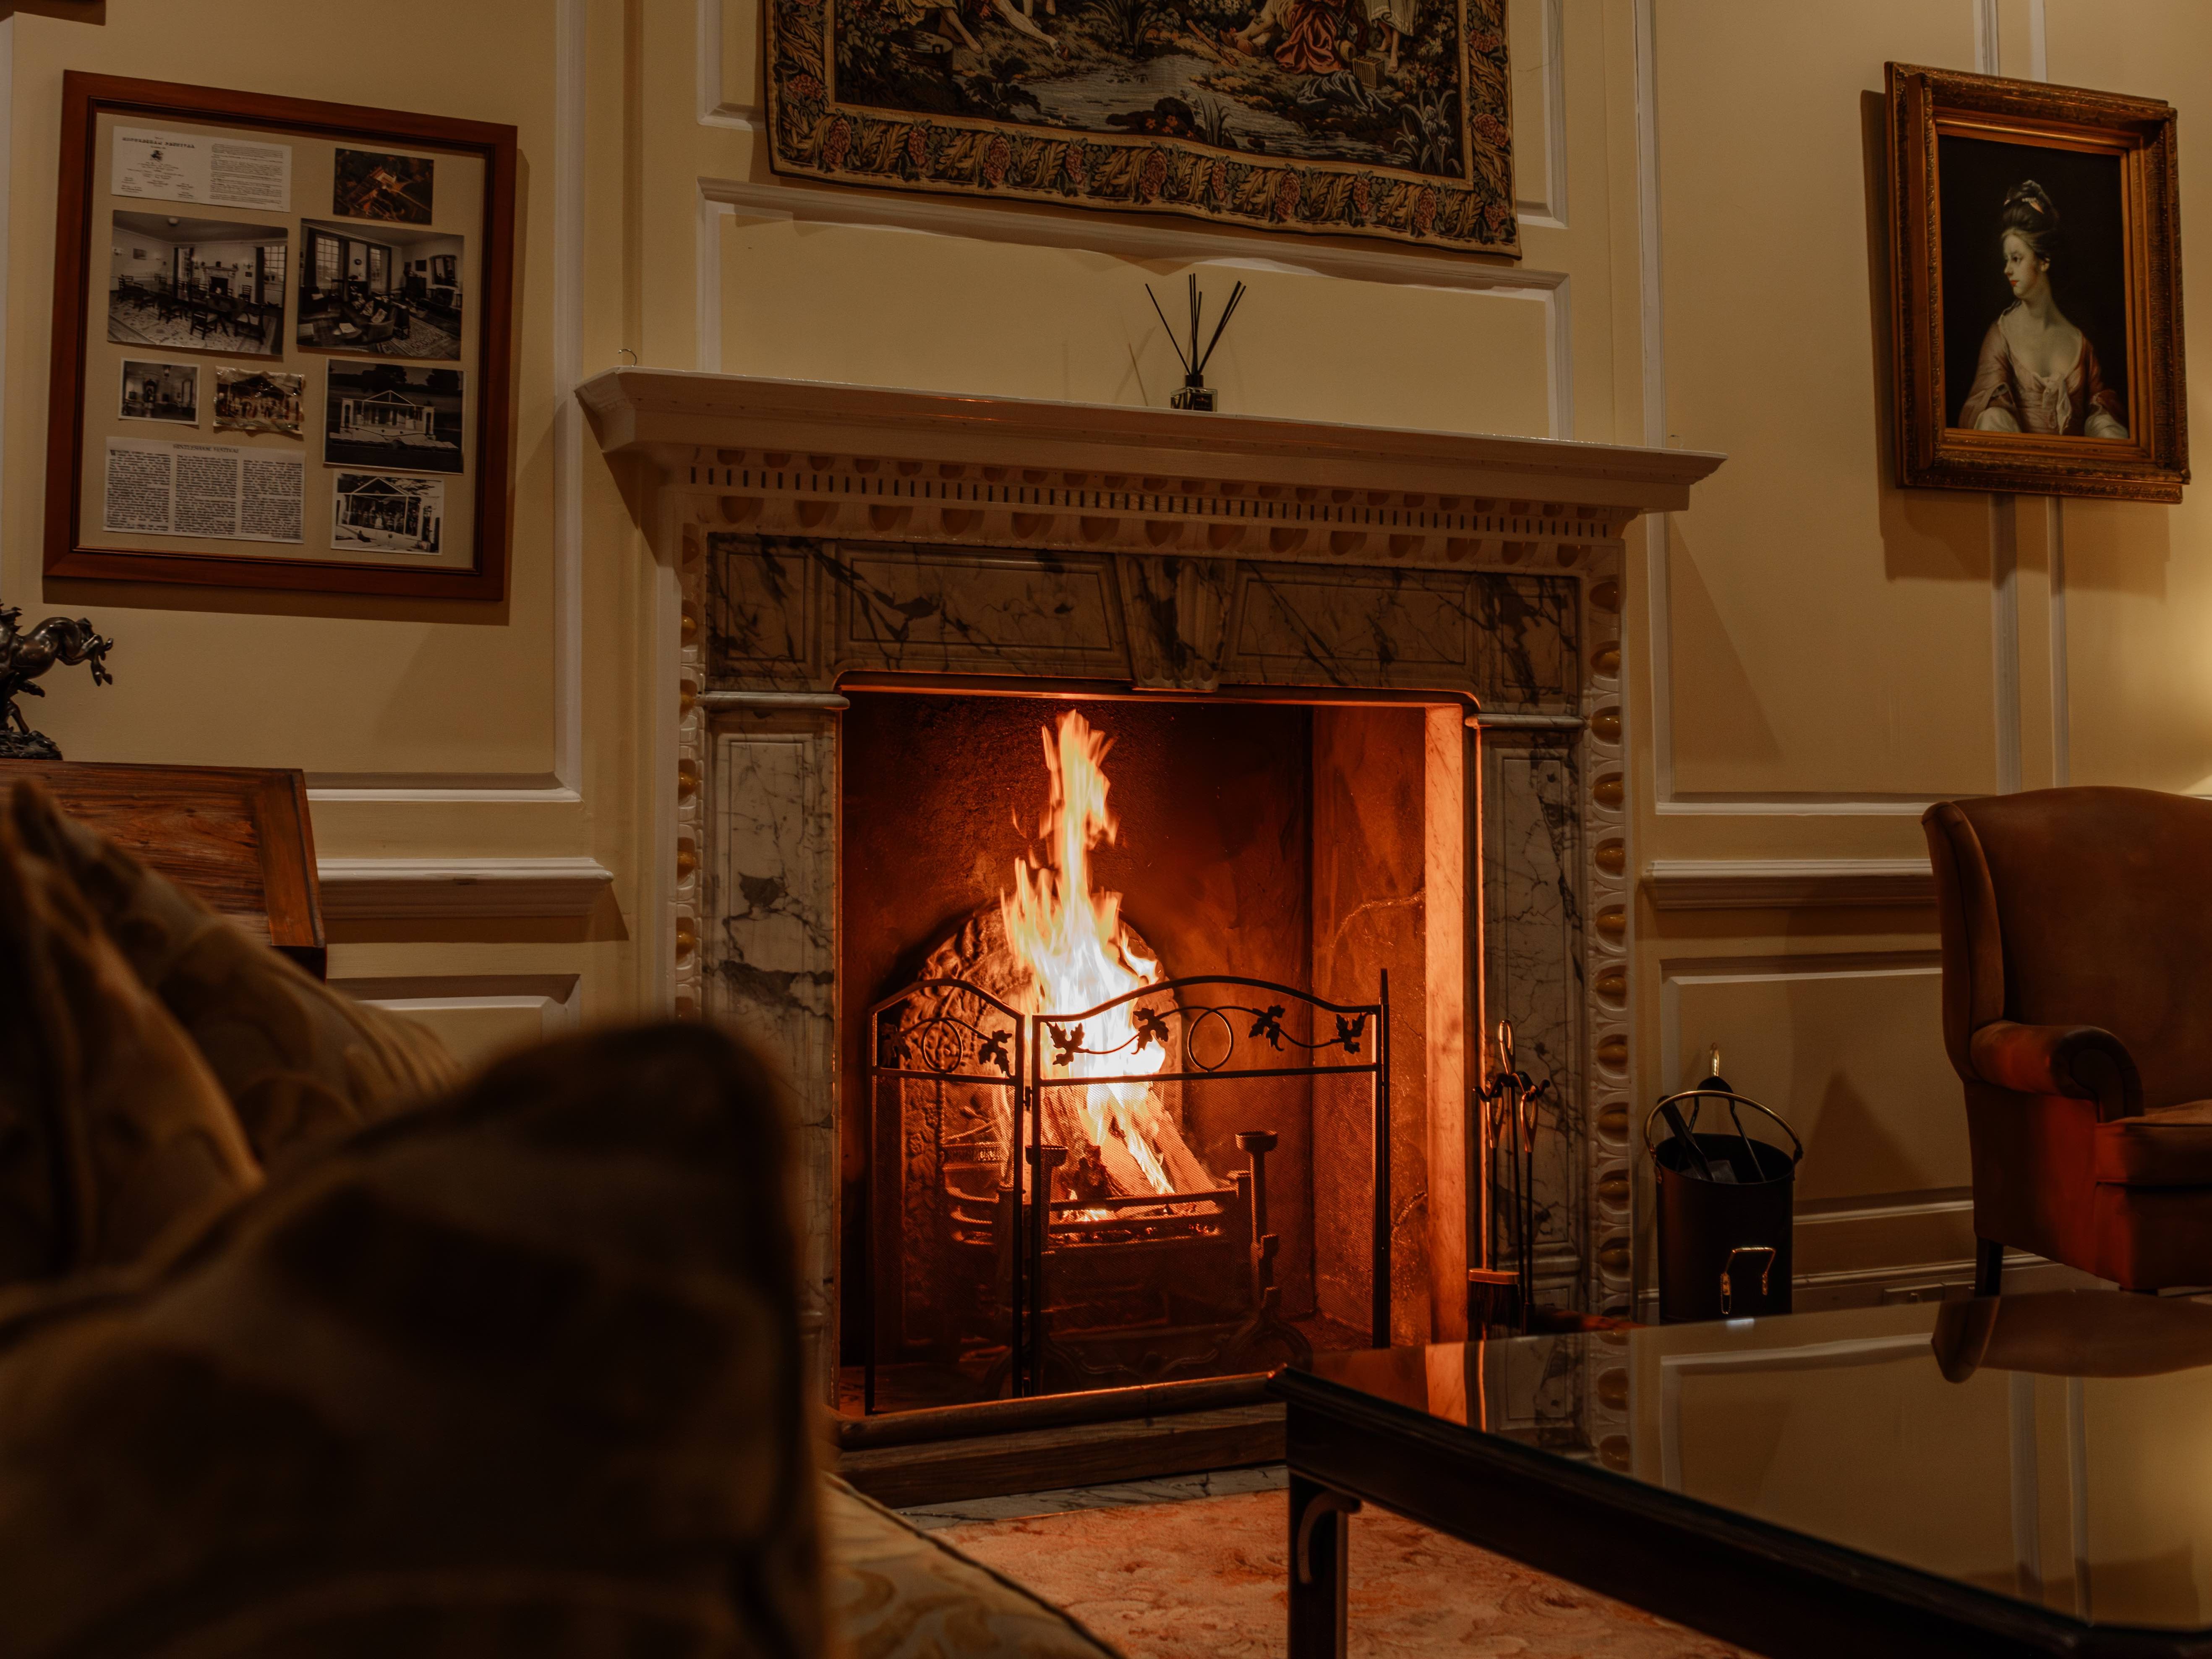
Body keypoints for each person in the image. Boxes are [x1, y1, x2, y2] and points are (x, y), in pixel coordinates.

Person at [1958, 179, 2128, 439]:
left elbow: (2100, 411)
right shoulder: (2001, 336)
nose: (2007, 270)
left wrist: (2104, 427)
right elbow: (1988, 413)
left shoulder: (2081, 343)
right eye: (2006, 260)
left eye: (2016, 259)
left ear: (2044, 261)